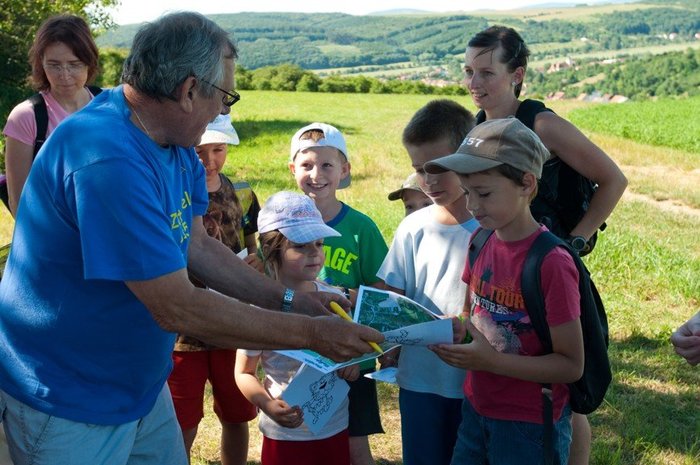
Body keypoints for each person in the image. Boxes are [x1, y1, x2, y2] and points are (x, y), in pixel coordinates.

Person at [0, 12, 383, 465]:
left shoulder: (172, 140)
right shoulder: (108, 160)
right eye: (224, 96)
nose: (224, 111)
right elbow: (176, 306)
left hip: (137, 383)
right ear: (188, 90)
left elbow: (196, 244)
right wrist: (312, 333)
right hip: (68, 396)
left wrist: (291, 301)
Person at [463, 25, 628, 465]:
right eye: (469, 72)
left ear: (517, 74)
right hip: (503, 260)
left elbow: (613, 179)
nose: (475, 83)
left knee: (568, 393)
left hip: (545, 261)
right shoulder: (478, 128)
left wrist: (576, 240)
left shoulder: (541, 124)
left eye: (487, 72)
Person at [427, 118, 584, 465]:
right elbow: (470, 315)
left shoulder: (551, 262)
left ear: (526, 183)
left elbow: (571, 365)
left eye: (484, 193)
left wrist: (493, 362)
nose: (472, 205)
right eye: (467, 192)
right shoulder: (479, 240)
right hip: (476, 407)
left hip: (528, 424)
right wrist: (451, 330)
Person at [376, 99, 477, 465]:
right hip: (418, 379)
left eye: (438, 167)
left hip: (476, 382)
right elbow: (391, 293)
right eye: (419, 169)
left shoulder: (492, 228)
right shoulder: (413, 227)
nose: (429, 180)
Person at [236, 191, 361, 465]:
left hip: (334, 426)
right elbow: (244, 373)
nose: (314, 253)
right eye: (301, 246)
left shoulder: (335, 301)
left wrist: (351, 365)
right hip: (285, 435)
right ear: (271, 249)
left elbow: (349, 353)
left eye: (319, 243)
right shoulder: (260, 308)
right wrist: (267, 404)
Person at [288, 122, 388, 465]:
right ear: (292, 169)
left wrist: (345, 295)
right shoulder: (284, 227)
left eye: (327, 165)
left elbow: (381, 293)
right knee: (304, 445)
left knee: (354, 447)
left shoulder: (361, 228)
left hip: (351, 358)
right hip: (300, 356)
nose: (316, 175)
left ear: (344, 170)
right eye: (306, 165)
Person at [167, 115, 261, 465]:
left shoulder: (243, 193)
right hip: (182, 331)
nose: (209, 161)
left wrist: (256, 261)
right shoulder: (171, 193)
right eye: (199, 151)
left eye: (218, 149)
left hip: (231, 323)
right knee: (182, 420)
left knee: (237, 413)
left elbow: (253, 245)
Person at [2, 14, 101, 217]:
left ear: (89, 62)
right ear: (41, 63)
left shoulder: (109, 105)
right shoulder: (26, 117)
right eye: (54, 65)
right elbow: (19, 203)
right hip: (52, 232)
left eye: (74, 64)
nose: (64, 75)